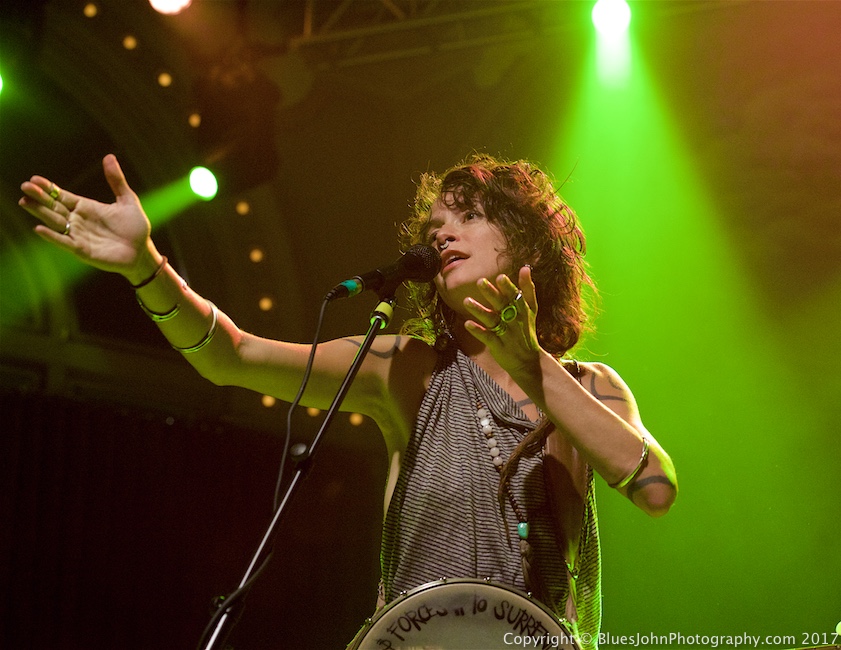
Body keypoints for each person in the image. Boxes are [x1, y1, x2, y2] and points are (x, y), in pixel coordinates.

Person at [19, 153, 677, 649]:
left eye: (468, 216)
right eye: (435, 224)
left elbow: (652, 487)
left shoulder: (589, 386)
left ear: (529, 240)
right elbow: (232, 355)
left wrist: (529, 363)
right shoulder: (403, 369)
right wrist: (144, 266)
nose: (441, 234)